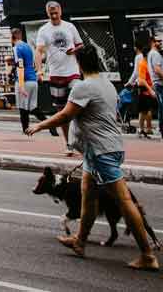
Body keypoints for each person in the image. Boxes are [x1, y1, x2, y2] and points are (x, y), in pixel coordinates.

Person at [26, 44, 159, 271]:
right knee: (87, 196)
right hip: (101, 150)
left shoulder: (83, 87)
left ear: (79, 64)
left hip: (101, 152)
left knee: (125, 201)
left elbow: (65, 114)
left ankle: (147, 254)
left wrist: (39, 125)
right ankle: (80, 241)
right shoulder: (106, 84)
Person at [35, 0, 83, 153]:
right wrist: (39, 70)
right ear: (47, 13)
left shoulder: (69, 26)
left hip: (73, 72)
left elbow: (81, 45)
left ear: (61, 11)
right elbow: (39, 51)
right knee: (62, 112)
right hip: (56, 74)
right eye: (51, 13)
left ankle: (82, 137)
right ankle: (69, 143)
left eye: (56, 12)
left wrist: (74, 50)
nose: (54, 16)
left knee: (78, 104)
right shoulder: (44, 30)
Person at [11, 28, 55, 136]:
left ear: (12, 37)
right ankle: (50, 125)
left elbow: (20, 67)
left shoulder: (17, 48)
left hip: (24, 80)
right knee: (33, 107)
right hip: (33, 80)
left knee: (23, 107)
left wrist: (20, 85)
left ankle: (25, 130)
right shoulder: (27, 47)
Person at [133, 33, 157, 139]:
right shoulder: (143, 64)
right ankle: (143, 129)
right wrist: (150, 89)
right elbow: (142, 80)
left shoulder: (149, 63)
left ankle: (147, 128)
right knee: (144, 111)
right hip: (144, 90)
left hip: (150, 89)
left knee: (148, 110)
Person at [149, 35, 163, 139]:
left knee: (161, 108)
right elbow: (158, 70)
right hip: (160, 84)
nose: (161, 43)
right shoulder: (156, 54)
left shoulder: (151, 54)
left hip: (156, 84)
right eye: (158, 41)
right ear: (153, 42)